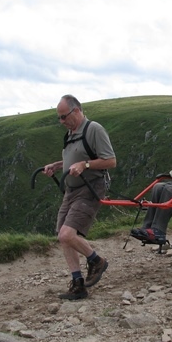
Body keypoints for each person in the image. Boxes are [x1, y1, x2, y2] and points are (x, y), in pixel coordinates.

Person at [43, 94, 116, 300]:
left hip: (90, 187)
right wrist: (58, 165)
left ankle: (97, 261)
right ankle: (78, 284)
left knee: (67, 234)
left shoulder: (94, 129)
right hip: (71, 189)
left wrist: (85, 165)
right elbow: (73, 157)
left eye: (64, 116)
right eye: (59, 117)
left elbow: (110, 161)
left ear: (76, 111)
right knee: (62, 236)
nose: (61, 121)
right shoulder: (70, 133)